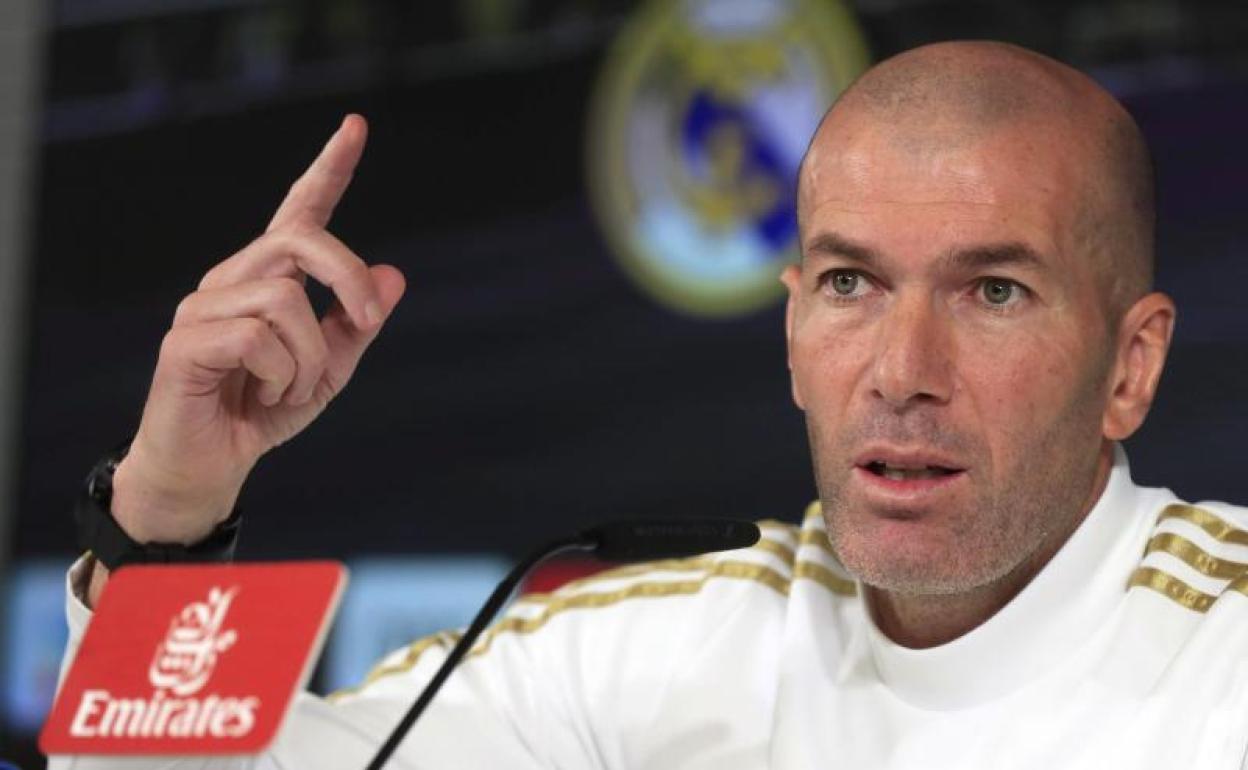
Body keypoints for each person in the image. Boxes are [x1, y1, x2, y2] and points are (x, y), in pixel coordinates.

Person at [48, 40, 1248, 769]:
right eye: (850, 283)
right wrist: (171, 510)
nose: (901, 368)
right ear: (792, 332)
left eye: (992, 291)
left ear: (1130, 366)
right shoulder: (642, 651)